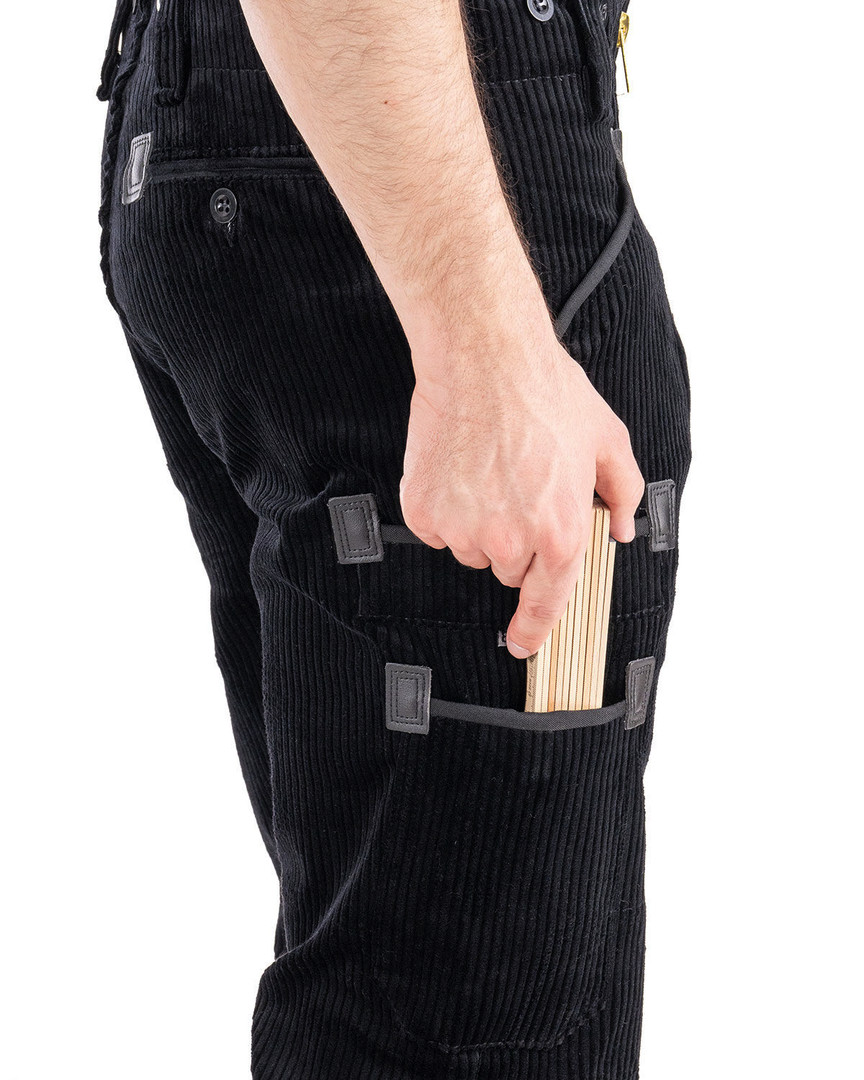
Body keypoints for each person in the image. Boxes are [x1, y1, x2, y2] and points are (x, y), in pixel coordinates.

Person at [96, 0, 691, 1075]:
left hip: (300, 116)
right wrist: (480, 332)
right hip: (428, 126)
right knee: (468, 1033)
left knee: (401, 978)